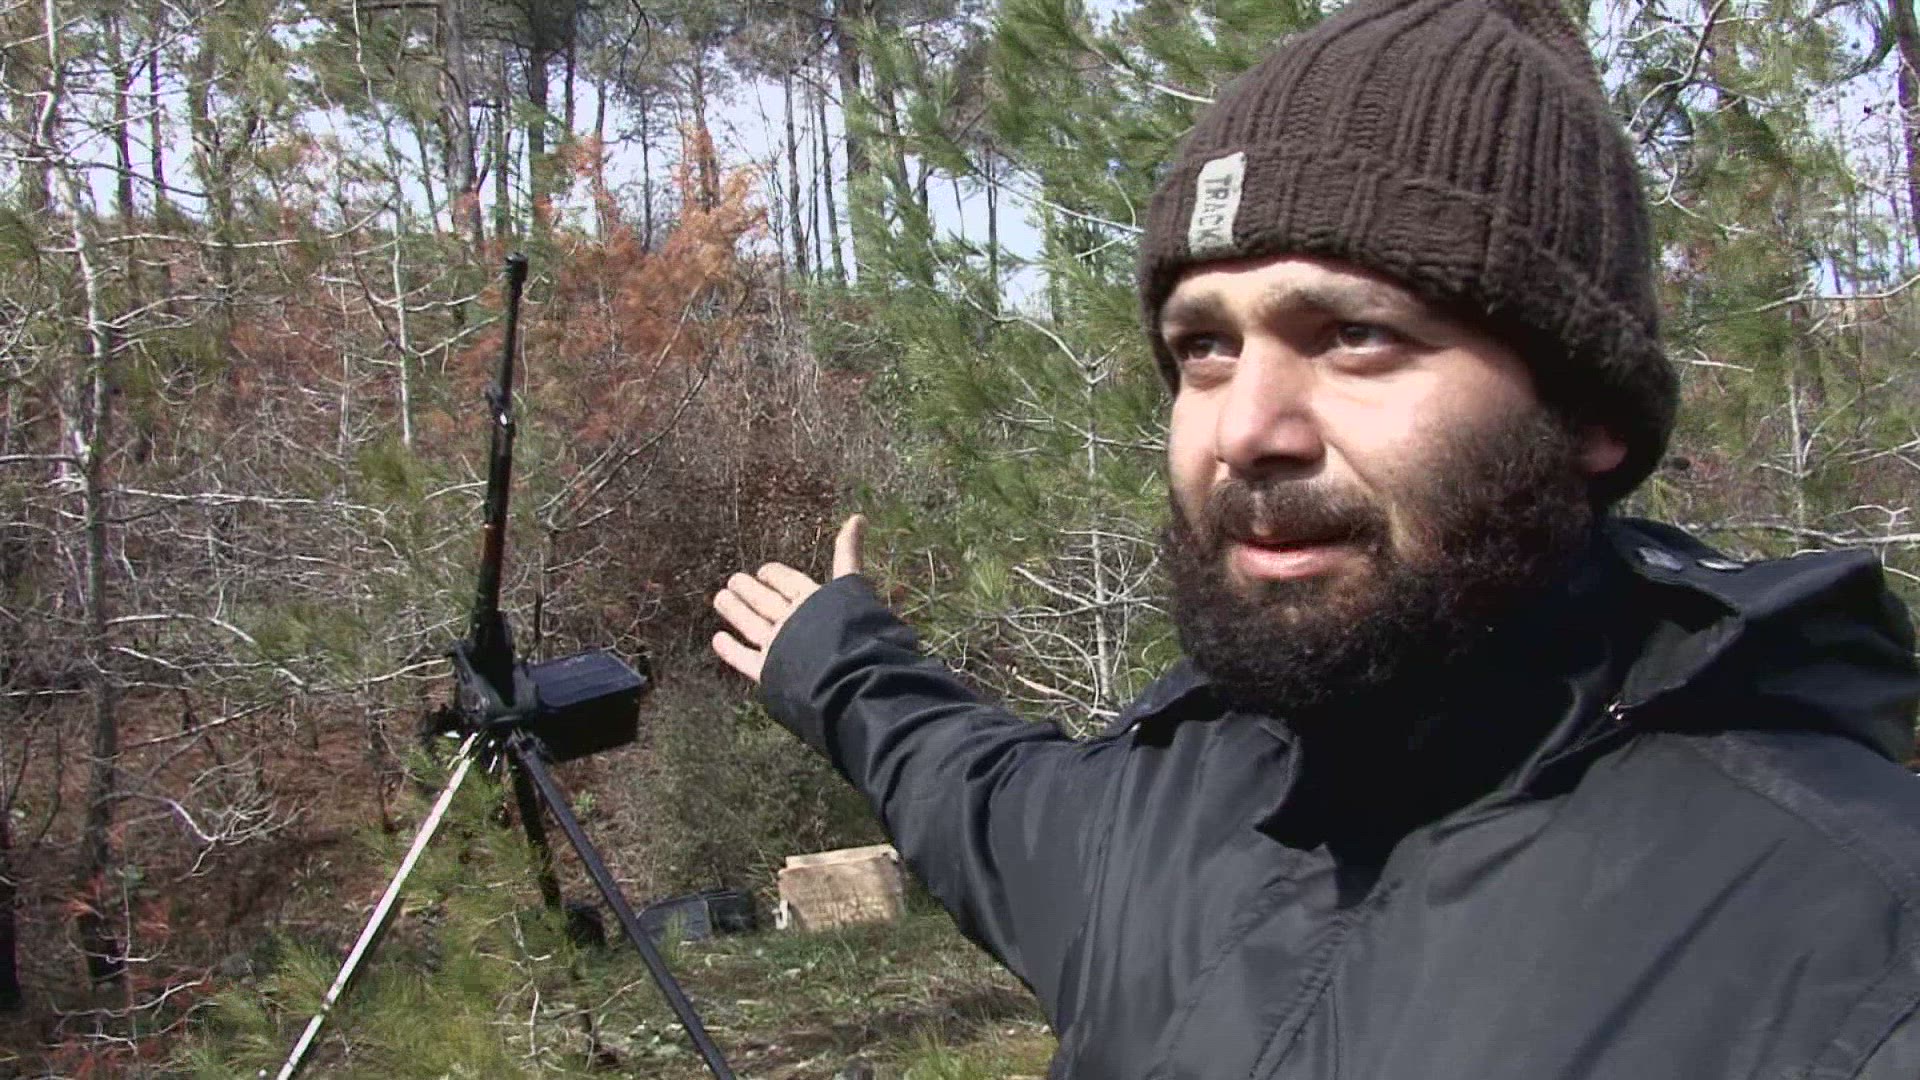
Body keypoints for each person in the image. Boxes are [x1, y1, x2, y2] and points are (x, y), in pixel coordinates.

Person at [710, 0, 1920, 1075]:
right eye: (1205, 346)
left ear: (1588, 412)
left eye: (1354, 334)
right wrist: (836, 655)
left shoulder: (1851, 943)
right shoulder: (1175, 803)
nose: (1246, 430)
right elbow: (971, 793)